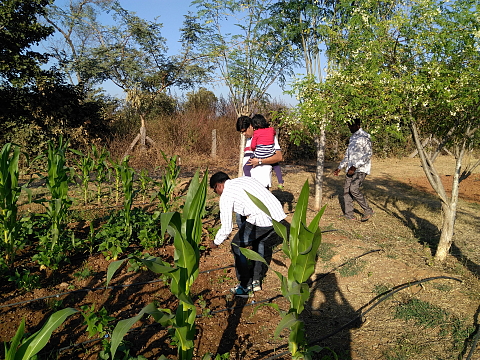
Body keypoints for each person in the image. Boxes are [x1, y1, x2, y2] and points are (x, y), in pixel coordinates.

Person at [209, 171, 287, 297]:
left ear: (219, 186)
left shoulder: (226, 195)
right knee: (259, 241)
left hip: (261, 219)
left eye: (215, 190)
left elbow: (227, 228)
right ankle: (256, 280)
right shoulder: (245, 179)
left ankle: (245, 286)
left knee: (236, 245)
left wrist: (215, 242)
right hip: (277, 216)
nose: (217, 193)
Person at [333, 118, 374, 222]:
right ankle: (349, 214)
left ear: (358, 125)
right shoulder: (352, 138)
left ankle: (368, 210)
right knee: (346, 191)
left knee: (353, 189)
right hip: (350, 169)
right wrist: (340, 167)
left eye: (351, 126)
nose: (350, 128)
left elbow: (368, 154)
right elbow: (348, 154)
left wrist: (355, 166)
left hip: (361, 169)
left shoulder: (365, 136)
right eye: (348, 126)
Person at [236, 115, 284, 189]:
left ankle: (281, 181)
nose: (243, 134)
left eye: (244, 131)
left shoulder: (268, 136)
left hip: (262, 181)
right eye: (241, 132)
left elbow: (279, 157)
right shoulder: (249, 139)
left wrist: (260, 161)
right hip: (249, 183)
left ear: (251, 126)